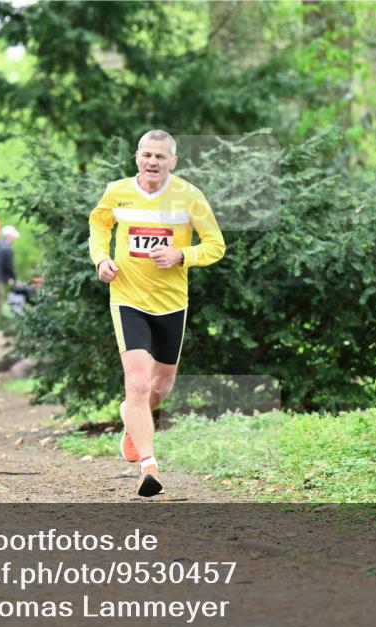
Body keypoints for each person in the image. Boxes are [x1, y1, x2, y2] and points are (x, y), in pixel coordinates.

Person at [88, 129, 225, 497]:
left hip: (171, 302)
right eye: (147, 155)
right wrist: (101, 259)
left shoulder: (189, 196)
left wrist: (184, 255)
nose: (152, 162)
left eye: (160, 157)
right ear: (137, 157)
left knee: (160, 386)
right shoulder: (117, 192)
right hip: (128, 297)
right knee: (137, 382)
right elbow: (98, 226)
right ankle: (149, 466)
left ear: (172, 162)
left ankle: (131, 417)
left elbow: (216, 245)